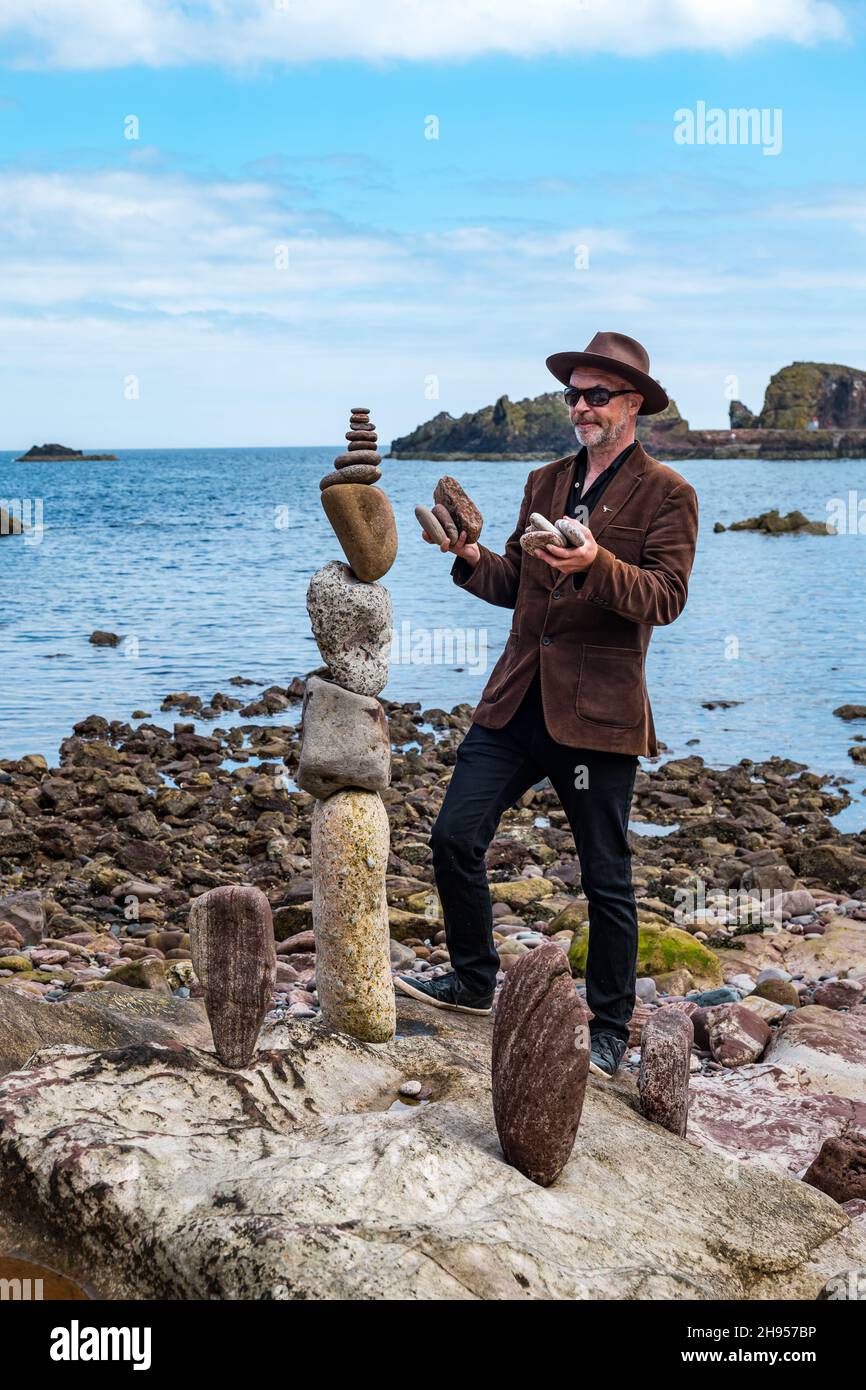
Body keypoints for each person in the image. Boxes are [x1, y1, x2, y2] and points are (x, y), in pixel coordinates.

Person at [395, 332, 699, 1078]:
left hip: (598, 717)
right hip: (515, 701)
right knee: (453, 837)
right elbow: (515, 587)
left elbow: (665, 598)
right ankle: (472, 979)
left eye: (597, 395)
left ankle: (609, 1029)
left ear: (633, 405)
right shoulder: (542, 481)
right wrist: (469, 558)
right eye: (574, 394)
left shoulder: (669, 493)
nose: (581, 407)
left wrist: (597, 564)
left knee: (606, 877)